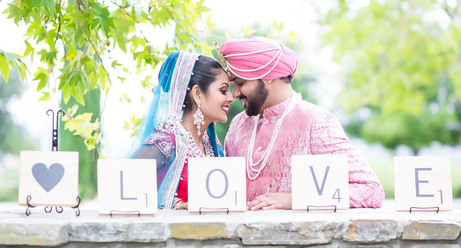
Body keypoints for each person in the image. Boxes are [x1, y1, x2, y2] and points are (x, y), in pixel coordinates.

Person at [218, 36, 384, 210]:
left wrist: (295, 199)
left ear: (266, 76)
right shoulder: (238, 124)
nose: (235, 93)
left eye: (240, 83)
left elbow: (370, 190)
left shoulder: (316, 121)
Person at [128, 50, 233, 210]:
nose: (231, 98)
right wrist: (174, 205)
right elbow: (124, 180)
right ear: (197, 94)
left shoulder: (209, 143)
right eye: (223, 91)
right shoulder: (169, 137)